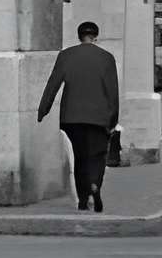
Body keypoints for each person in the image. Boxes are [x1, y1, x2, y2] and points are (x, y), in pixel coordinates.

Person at [38, 19, 122, 212]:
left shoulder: (66, 55)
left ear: (79, 36)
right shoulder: (106, 58)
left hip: (72, 117)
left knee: (80, 156)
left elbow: (53, 84)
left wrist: (43, 110)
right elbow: (112, 90)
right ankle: (95, 185)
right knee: (97, 155)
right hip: (98, 116)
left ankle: (83, 200)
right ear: (96, 36)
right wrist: (113, 118)